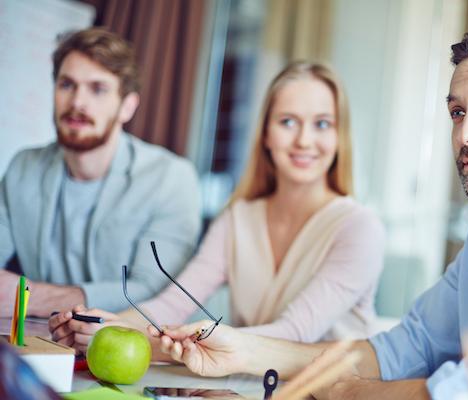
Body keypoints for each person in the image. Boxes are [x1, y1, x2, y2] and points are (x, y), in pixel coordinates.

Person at [151, 19, 468, 400]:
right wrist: (246, 352)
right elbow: (403, 349)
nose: (467, 134)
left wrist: (340, 391)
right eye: (458, 112)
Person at [49, 61, 385, 355]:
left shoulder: (358, 229)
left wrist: (169, 341)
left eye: (322, 124)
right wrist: (107, 326)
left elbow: (294, 334)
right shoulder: (237, 218)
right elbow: (174, 303)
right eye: (288, 122)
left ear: (340, 137)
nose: (304, 140)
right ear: (265, 134)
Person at [0, 28, 201, 317]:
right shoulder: (24, 167)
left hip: (125, 355)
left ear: (127, 106)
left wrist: (33, 298)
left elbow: (157, 292)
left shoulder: (171, 179)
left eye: (98, 89)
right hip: (37, 344)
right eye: (67, 85)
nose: (78, 102)